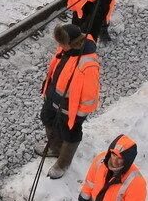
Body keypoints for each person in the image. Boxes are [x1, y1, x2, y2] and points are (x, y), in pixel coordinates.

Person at [38, 24, 101, 179]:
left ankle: (63, 164)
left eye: (62, 43)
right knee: (47, 118)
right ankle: (55, 148)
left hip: (70, 108)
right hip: (53, 98)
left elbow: (90, 95)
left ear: (71, 43)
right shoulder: (65, 50)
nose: (59, 46)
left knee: (70, 133)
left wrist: (79, 115)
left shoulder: (87, 65)